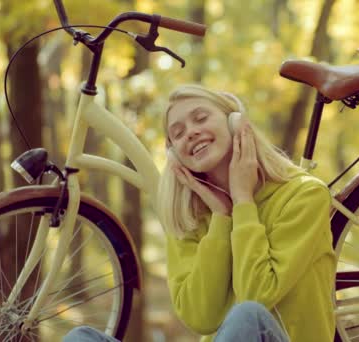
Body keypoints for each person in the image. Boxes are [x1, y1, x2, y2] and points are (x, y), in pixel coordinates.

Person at [63, 84, 336, 342]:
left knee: (248, 315)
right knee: (81, 338)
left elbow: (257, 295)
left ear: (236, 122)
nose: (191, 132)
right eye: (178, 133)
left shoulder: (304, 195)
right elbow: (201, 319)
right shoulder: (187, 219)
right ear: (175, 155)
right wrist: (221, 218)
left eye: (201, 118)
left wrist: (243, 201)